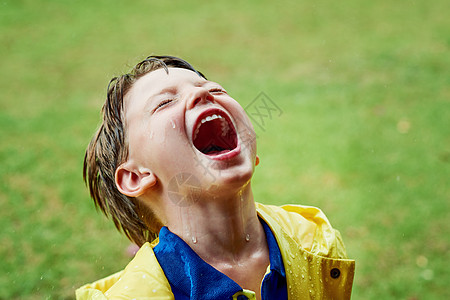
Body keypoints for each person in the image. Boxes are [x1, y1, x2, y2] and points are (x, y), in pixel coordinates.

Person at [76, 55, 355, 300]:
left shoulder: (317, 246)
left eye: (215, 89)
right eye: (164, 103)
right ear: (136, 176)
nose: (203, 95)